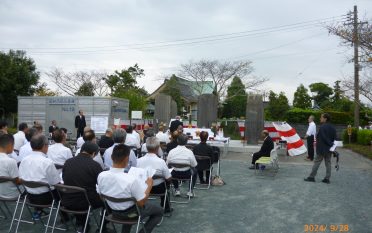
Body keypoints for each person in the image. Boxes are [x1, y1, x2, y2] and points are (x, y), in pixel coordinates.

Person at [97, 144, 163, 233]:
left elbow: (101, 197)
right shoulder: (131, 180)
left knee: (130, 203)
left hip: (113, 211)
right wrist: (149, 186)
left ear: (112, 158)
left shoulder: (101, 176)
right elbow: (141, 203)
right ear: (127, 159)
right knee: (159, 211)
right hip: (131, 214)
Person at [62, 142, 108, 233]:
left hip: (67, 199)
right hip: (86, 201)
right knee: (107, 202)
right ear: (94, 153)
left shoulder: (68, 162)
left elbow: (64, 178)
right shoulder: (94, 165)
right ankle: (103, 228)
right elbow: (101, 184)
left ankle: (81, 221)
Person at [18, 134, 62, 220]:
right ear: (44, 146)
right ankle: (65, 217)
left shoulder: (24, 160)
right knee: (62, 190)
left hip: (29, 196)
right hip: (46, 198)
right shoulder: (47, 162)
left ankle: (38, 211)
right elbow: (56, 183)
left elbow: (21, 178)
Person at [137, 137, 172, 213]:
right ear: (157, 148)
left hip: (143, 188)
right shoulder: (161, 161)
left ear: (146, 147)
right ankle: (166, 207)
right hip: (158, 188)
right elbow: (168, 178)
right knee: (166, 184)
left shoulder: (138, 161)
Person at [304, 113, 336, 184]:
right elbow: (334, 138)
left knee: (317, 162)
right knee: (328, 163)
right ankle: (327, 178)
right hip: (329, 149)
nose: (320, 118)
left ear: (325, 119)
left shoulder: (322, 127)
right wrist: (331, 145)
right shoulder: (333, 127)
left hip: (321, 149)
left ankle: (311, 177)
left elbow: (322, 138)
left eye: (321, 117)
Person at [0, 133, 23, 199]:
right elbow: (17, 181)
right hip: (11, 194)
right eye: (13, 145)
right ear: (10, 145)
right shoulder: (10, 161)